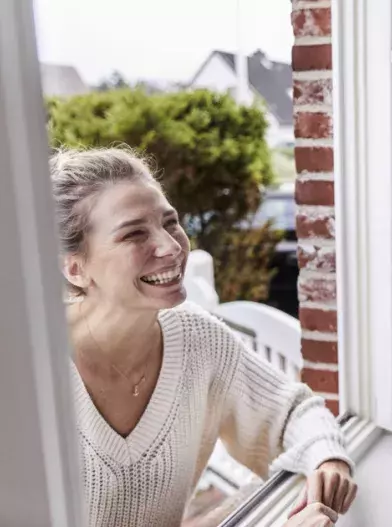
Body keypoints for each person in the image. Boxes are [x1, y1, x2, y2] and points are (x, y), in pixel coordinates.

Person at [51, 147, 357, 527]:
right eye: (134, 234)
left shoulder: (195, 336)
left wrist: (327, 456)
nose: (171, 246)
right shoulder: (27, 375)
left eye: (170, 222)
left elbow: (291, 410)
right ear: (75, 268)